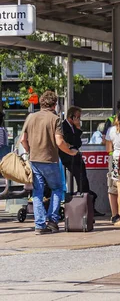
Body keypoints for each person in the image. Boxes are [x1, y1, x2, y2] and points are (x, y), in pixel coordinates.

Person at [20, 91, 78, 235]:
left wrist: (29, 151)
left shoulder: (30, 117)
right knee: (57, 189)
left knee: (37, 192)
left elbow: (22, 139)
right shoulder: (55, 119)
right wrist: (70, 152)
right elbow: (59, 141)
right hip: (50, 160)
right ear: (54, 104)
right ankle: (52, 221)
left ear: (41, 103)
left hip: (34, 159)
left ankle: (40, 225)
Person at [59, 106, 104, 217]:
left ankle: (87, 202)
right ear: (71, 117)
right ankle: (83, 201)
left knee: (82, 178)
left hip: (75, 155)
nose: (79, 120)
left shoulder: (74, 127)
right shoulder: (64, 126)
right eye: (77, 117)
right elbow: (71, 141)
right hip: (67, 157)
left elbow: (77, 143)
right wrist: (78, 129)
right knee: (80, 177)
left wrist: (77, 130)